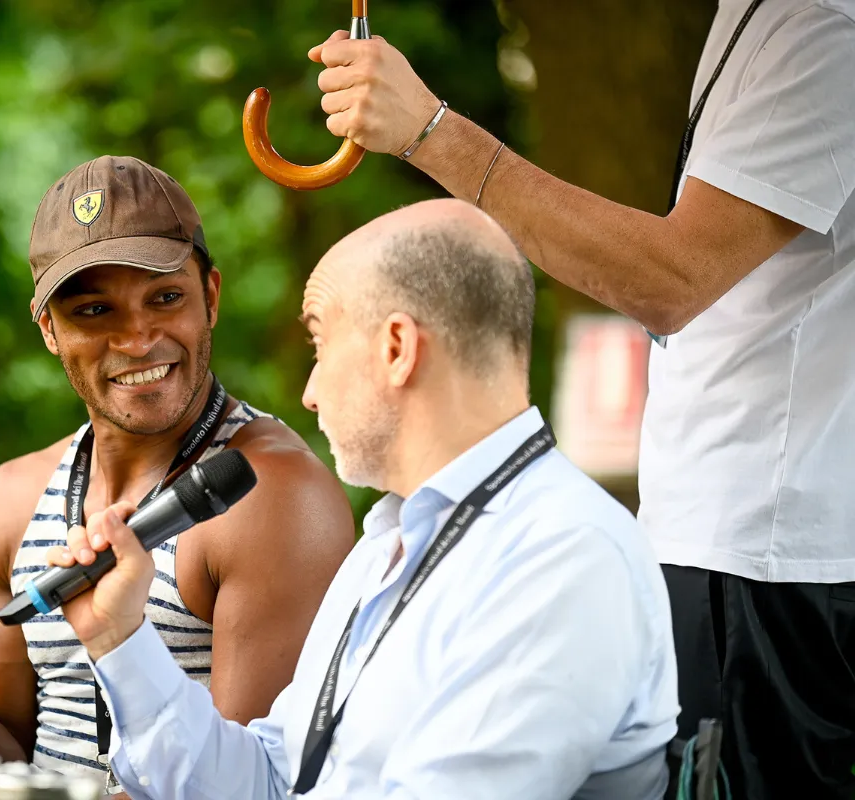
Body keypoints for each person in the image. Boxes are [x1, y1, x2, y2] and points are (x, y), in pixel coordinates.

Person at [306, 4, 855, 796]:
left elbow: (672, 280)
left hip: (757, 563)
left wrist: (432, 131)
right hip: (734, 554)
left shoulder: (821, 28)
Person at [46, 198, 679, 799]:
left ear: (396, 349)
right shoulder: (386, 545)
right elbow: (267, 782)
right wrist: (121, 638)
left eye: (320, 343)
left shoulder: (562, 554)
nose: (310, 392)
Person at [0, 156, 355, 793]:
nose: (136, 338)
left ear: (210, 296)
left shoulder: (274, 496)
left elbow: (243, 788)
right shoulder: (16, 498)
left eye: (165, 297)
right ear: (49, 329)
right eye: (95, 311)